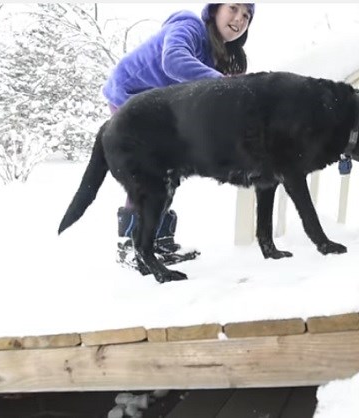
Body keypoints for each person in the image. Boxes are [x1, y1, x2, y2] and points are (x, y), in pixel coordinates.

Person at [102, 3, 255, 266]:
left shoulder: (212, 53)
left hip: (157, 108)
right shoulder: (188, 26)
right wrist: (224, 85)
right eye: (233, 8)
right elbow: (173, 60)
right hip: (129, 97)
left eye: (246, 16)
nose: (239, 19)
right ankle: (131, 244)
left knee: (171, 168)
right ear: (214, 10)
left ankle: (158, 240)